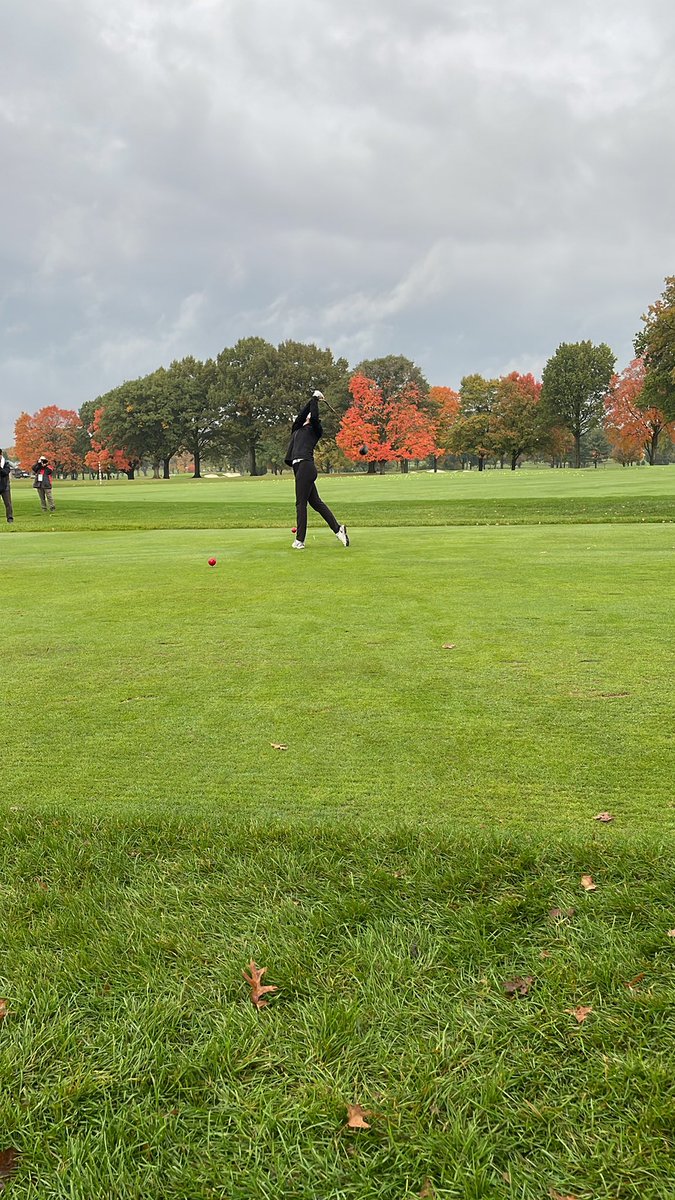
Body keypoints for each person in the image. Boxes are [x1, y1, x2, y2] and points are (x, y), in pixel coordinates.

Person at [284, 391, 349, 550]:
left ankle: (300, 540)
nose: (307, 417)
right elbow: (302, 415)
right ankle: (338, 528)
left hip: (306, 466)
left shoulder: (315, 429)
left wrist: (315, 400)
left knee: (300, 504)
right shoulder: (297, 428)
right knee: (316, 503)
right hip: (299, 467)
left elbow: (313, 416)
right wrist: (312, 399)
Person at [0, 450, 13, 523]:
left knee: (8, 503)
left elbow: (5, 472)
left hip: (5, 486)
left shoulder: (6, 464)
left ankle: (10, 518)